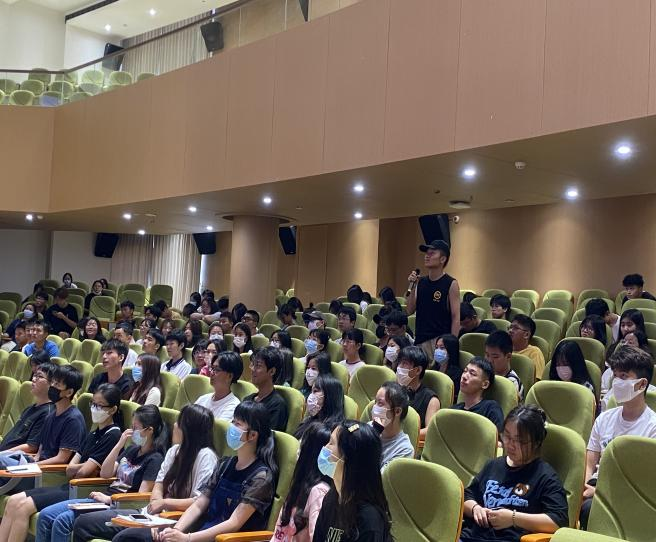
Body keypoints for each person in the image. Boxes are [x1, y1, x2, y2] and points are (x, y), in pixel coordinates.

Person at [71, 404, 219, 542]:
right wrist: (156, 506)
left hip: (177, 520)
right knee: (83, 523)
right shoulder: (174, 451)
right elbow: (158, 485)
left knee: (124, 538)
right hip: (151, 514)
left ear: (190, 430)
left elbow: (197, 502)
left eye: (179, 422)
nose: (175, 425)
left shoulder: (206, 457)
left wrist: (163, 504)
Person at [0, 384, 122, 542]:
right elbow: (70, 469)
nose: (94, 408)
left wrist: (82, 468)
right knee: (13, 502)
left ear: (112, 409)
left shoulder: (113, 434)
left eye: (99, 406)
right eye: (93, 403)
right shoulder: (92, 434)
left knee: (23, 507)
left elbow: (83, 472)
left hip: (83, 489)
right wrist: (83, 467)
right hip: (69, 484)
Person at [35, 404, 168, 541]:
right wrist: (119, 445)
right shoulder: (132, 450)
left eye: (135, 428)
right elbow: (105, 473)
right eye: (131, 427)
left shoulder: (155, 459)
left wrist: (110, 499)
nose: (131, 431)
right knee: (46, 515)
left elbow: (140, 496)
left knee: (62, 521)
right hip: (103, 499)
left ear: (149, 430)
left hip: (119, 505)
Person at [156, 401, 278, 541]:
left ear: (252, 435)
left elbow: (234, 523)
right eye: (233, 421)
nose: (231, 427)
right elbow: (199, 505)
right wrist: (176, 531)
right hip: (202, 534)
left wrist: (187, 538)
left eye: (238, 424)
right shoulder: (225, 465)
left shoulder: (261, 477)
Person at [461, 405, 569, 542]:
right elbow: (467, 495)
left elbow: (559, 521)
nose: (510, 445)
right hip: (471, 536)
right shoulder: (493, 465)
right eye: (507, 436)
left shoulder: (545, 476)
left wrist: (513, 518)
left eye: (519, 441)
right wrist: (475, 508)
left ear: (536, 442)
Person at [581, 345, 656, 529]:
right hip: (599, 483)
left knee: (591, 508)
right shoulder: (604, 418)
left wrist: (599, 493)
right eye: (615, 375)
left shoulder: (653, 426)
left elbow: (644, 478)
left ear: (642, 384)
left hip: (632, 491)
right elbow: (590, 463)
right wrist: (584, 487)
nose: (616, 382)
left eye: (623, 376)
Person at [0, 365, 87, 496]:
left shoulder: (73, 419)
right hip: (35, 467)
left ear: (69, 392)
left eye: (57, 384)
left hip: (47, 475)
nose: (52, 386)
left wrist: (33, 466)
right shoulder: (51, 415)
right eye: (53, 382)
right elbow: (40, 452)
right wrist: (31, 461)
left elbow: (62, 459)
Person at [313, 421, 393, 542]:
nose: (325, 447)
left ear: (348, 458)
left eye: (332, 443)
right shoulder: (331, 498)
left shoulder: (369, 520)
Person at [271, 422, 332, 542]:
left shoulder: (319, 491)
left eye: (302, 441)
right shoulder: (298, 485)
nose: (298, 446)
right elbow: (277, 535)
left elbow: (316, 538)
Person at [406, 239, 460, 359]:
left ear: (442, 259)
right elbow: (409, 310)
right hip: (420, 338)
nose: (427, 256)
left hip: (439, 341)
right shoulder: (421, 282)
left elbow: (456, 317)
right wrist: (413, 286)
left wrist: (452, 344)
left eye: (432, 253)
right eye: (426, 253)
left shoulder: (450, 283)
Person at [0, 362, 55, 453]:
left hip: (12, 458)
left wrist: (2, 454)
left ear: (52, 383)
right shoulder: (30, 408)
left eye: (39, 376)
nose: (33, 379)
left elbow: (31, 446)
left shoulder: (48, 413)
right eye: (34, 375)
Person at [395, 346, 440, 437]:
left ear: (418, 370)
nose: (399, 367)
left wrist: (400, 437)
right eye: (399, 363)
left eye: (404, 363)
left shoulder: (431, 399)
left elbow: (429, 431)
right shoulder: (393, 390)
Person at [371, 381, 415, 470]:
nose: (374, 407)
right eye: (375, 402)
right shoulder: (370, 427)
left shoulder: (404, 450)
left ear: (397, 411)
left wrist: (373, 437)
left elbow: (380, 478)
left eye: (380, 403)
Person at [453, 357, 505, 431]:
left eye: (472, 374)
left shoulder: (490, 408)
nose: (464, 377)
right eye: (465, 371)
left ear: (485, 384)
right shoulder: (454, 410)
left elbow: (498, 436)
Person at [244, 347, 289, 431]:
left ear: (272, 371)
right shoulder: (247, 399)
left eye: (258, 365)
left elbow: (269, 436)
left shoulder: (277, 406)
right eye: (252, 364)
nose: (252, 369)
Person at [196, 351, 243, 421]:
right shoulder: (203, 399)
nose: (211, 373)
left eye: (217, 370)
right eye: (212, 368)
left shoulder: (233, 406)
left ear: (230, 376)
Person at [295, 374, 345, 439]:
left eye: (315, 391)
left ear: (329, 396)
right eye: (311, 391)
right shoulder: (309, 421)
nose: (310, 396)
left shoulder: (332, 432)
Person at [485, 330, 524, 401]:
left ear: (508, 356)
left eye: (495, 357)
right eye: (487, 355)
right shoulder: (484, 373)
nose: (489, 360)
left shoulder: (512, 382)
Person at [508, 315, 545, 382]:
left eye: (515, 328)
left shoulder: (534, 352)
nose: (510, 330)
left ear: (526, 335)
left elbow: (536, 381)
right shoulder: (503, 349)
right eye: (510, 327)